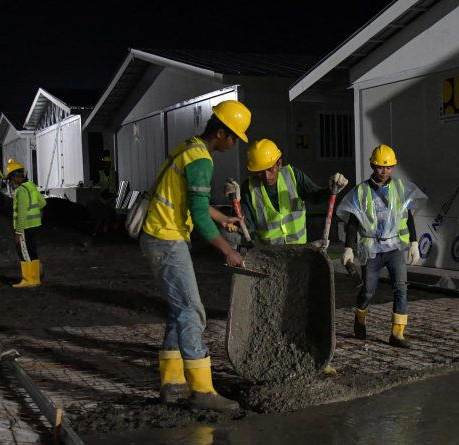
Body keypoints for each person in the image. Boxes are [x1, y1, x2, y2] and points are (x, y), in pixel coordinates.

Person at [139, 99, 250, 412]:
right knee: (192, 311)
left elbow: (195, 206)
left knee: (178, 311)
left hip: (160, 235)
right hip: (166, 239)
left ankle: (173, 384)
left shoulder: (189, 147)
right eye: (234, 137)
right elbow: (198, 216)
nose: (234, 144)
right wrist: (227, 250)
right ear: (222, 133)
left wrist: (222, 219)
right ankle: (202, 390)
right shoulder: (201, 160)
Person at [336, 144, 427, 348]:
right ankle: (360, 318)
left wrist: (414, 242)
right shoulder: (361, 191)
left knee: (401, 287)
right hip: (372, 249)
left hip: (394, 247)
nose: (384, 171)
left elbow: (408, 216)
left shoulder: (401, 189)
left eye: (388, 167)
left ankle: (397, 333)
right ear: (372, 165)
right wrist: (348, 248)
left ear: (393, 167)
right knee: (368, 290)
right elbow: (353, 222)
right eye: (379, 167)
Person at [228, 138, 348, 246]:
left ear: (279, 164)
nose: (266, 176)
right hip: (267, 255)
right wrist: (236, 204)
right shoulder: (248, 188)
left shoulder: (293, 176)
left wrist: (332, 190)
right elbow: (247, 226)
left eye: (270, 169)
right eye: (260, 171)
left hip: (298, 251)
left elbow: (315, 196)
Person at [6, 161, 47, 288]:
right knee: (32, 252)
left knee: (24, 252)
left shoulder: (21, 191)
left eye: (11, 179)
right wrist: (38, 214)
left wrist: (18, 232)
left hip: (25, 227)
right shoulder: (31, 186)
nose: (11, 182)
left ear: (15, 176)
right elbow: (42, 203)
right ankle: (35, 279)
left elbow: (22, 213)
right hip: (34, 225)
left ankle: (28, 279)